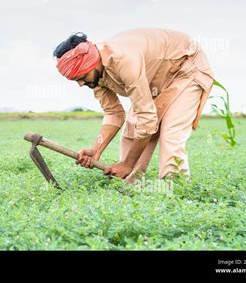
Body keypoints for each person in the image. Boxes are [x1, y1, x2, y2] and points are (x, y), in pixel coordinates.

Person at [53, 28, 215, 182]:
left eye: (81, 77)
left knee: (170, 134)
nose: (81, 84)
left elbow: (148, 120)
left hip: (186, 66)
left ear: (91, 62)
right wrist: (96, 150)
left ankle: (176, 190)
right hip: (155, 79)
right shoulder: (94, 76)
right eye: (76, 80)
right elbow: (114, 113)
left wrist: (128, 164)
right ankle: (131, 187)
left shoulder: (123, 60)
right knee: (132, 131)